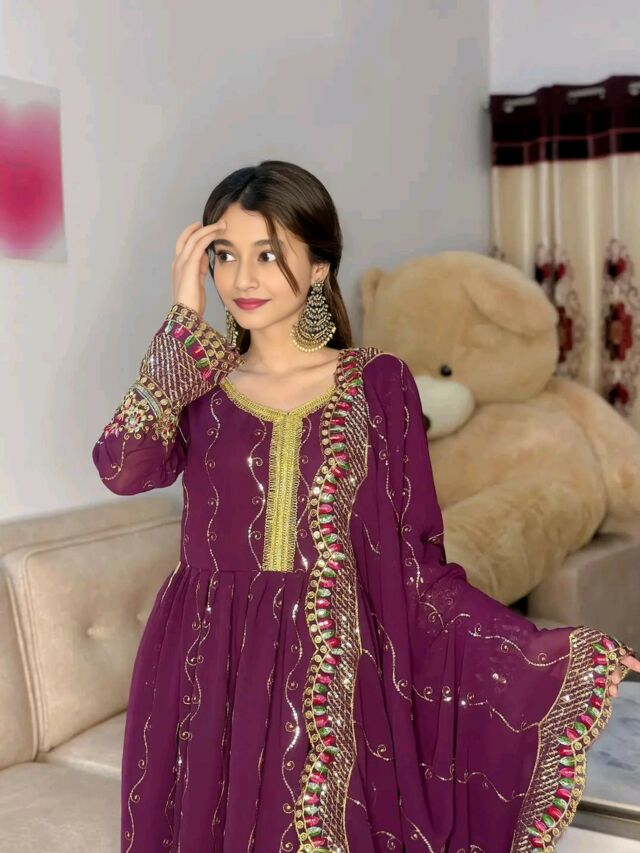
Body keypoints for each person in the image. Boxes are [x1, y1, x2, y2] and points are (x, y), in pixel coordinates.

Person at [92, 160, 638, 853]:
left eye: (269, 254)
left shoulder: (375, 384)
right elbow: (122, 467)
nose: (243, 278)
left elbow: (418, 565)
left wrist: (552, 653)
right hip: (207, 662)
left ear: (320, 266)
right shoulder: (195, 384)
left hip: (335, 663)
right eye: (224, 255)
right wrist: (181, 323)